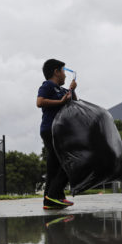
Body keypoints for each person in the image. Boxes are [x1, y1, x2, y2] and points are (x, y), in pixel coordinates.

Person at [36, 59, 77, 210]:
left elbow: (73, 101)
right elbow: (39, 102)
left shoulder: (62, 90)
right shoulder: (47, 85)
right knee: (69, 160)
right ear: (56, 72)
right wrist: (60, 102)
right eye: (63, 71)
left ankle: (50, 201)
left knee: (53, 167)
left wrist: (71, 89)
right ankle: (54, 195)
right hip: (51, 129)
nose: (65, 76)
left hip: (60, 130)